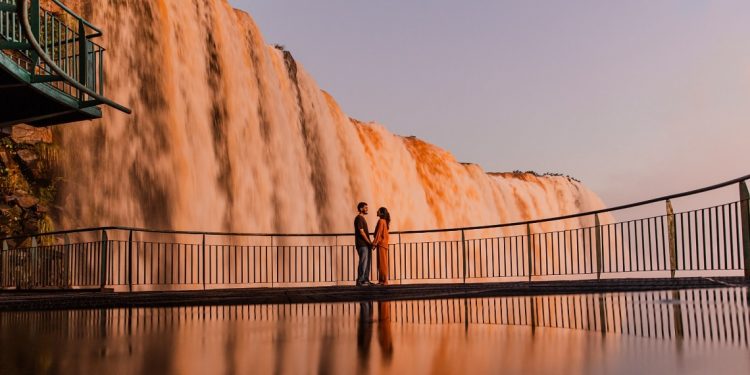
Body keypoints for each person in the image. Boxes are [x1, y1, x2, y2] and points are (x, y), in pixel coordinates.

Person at [354, 202, 373, 286]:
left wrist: (369, 243)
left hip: (366, 245)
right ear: (361, 209)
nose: (367, 209)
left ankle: (365, 280)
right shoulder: (359, 218)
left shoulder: (362, 218)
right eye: (365, 207)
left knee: (367, 262)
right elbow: (361, 232)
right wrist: (369, 242)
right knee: (363, 262)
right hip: (362, 244)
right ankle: (360, 280)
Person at [372, 207, 391, 285]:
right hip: (384, 244)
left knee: (382, 263)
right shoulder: (385, 221)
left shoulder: (381, 221)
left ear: (381, 213)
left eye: (378, 211)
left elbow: (378, 233)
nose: (377, 211)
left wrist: (374, 243)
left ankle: (384, 281)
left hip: (381, 244)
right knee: (383, 262)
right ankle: (382, 280)